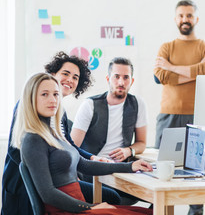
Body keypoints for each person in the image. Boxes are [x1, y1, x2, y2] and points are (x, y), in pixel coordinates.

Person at [11, 72, 153, 215]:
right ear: (30, 99)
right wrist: (89, 207)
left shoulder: (54, 133)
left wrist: (130, 166)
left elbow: (84, 165)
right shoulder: (33, 139)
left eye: (55, 94)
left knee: (149, 211)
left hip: (77, 205)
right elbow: (48, 194)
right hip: (67, 210)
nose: (53, 100)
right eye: (44, 94)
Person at [1, 52, 121, 215]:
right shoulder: (28, 105)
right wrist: (50, 173)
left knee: (110, 196)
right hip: (25, 183)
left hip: (57, 180)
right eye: (65, 74)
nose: (70, 80)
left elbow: (68, 145)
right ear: (52, 74)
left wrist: (91, 158)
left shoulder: (59, 112)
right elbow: (16, 150)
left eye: (75, 77)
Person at [153, 0, 205, 215]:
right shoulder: (167, 46)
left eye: (189, 15)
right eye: (181, 15)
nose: (185, 19)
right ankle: (159, 210)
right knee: (161, 171)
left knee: (196, 172)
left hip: (197, 115)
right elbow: (161, 76)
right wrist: (193, 74)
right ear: (175, 19)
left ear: (196, 18)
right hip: (168, 115)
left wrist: (172, 67)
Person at [70, 57, 147, 204]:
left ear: (132, 81)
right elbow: (72, 147)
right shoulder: (90, 105)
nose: (121, 82)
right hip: (93, 172)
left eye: (126, 77)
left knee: (156, 194)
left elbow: (142, 142)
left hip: (121, 170)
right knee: (114, 199)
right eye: (116, 77)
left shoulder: (138, 104)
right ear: (108, 78)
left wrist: (129, 151)